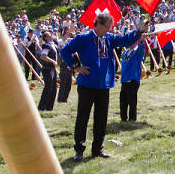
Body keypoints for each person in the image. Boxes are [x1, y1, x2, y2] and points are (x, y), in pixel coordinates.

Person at [59, 13, 148, 161]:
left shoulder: (109, 39)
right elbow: (64, 51)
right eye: (107, 27)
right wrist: (75, 67)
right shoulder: (83, 38)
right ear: (98, 24)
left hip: (103, 85)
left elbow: (126, 40)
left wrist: (139, 32)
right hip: (87, 84)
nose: (109, 30)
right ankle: (79, 150)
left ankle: (97, 149)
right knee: (83, 117)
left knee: (101, 118)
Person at [119, 40, 146, 122]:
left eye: (133, 41)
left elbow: (141, 50)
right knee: (123, 99)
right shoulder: (125, 52)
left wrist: (142, 41)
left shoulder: (137, 52)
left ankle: (132, 118)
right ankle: (123, 118)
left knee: (132, 100)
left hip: (133, 79)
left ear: (136, 42)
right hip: (124, 78)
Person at [37, 31, 59, 111]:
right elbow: (43, 56)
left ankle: (49, 107)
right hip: (47, 69)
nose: (51, 35)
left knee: (53, 88)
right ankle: (42, 107)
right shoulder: (46, 45)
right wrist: (53, 61)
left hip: (52, 69)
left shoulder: (53, 44)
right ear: (46, 38)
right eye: (49, 34)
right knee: (48, 88)